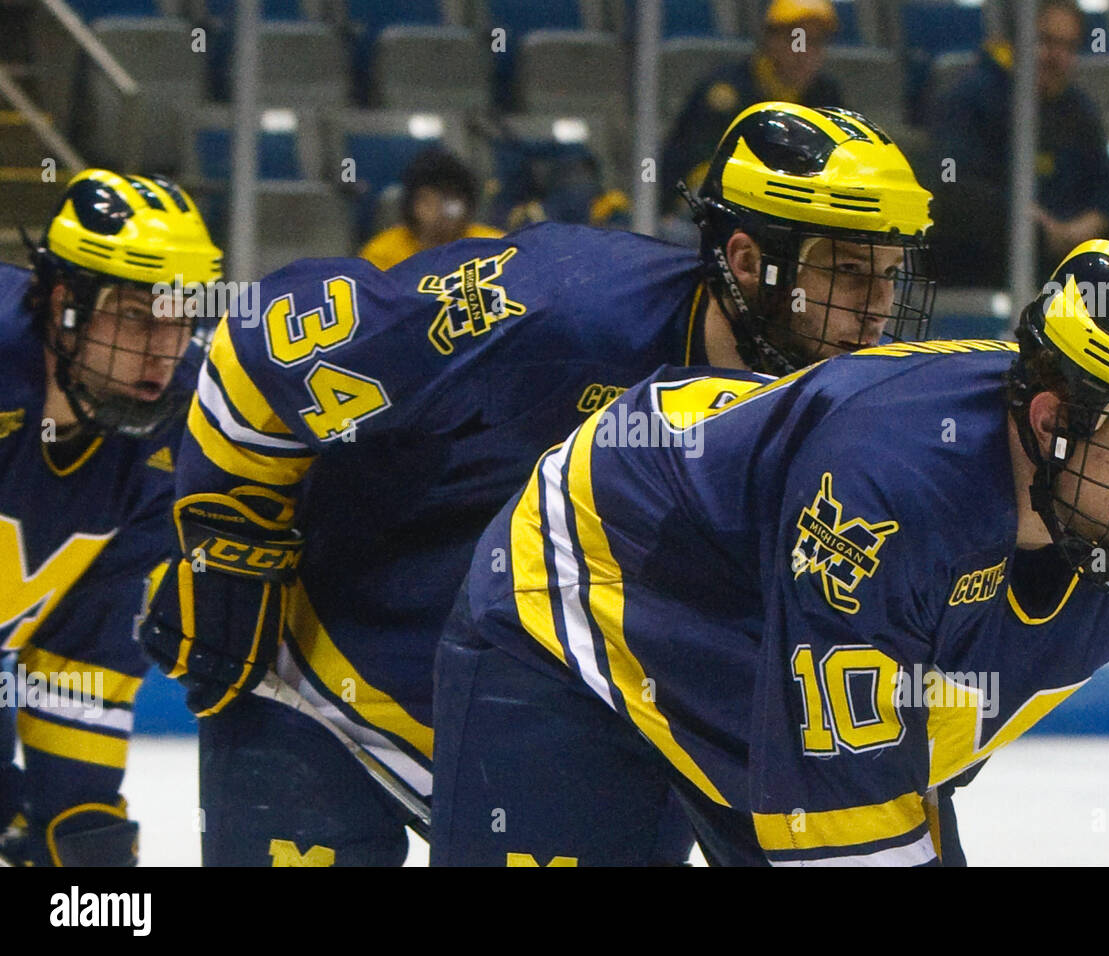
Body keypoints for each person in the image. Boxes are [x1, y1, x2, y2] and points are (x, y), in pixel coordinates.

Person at [138, 103, 936, 865]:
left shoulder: (847, 424)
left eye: (891, 276)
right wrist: (228, 542)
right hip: (329, 669)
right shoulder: (559, 306)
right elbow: (261, 349)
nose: (876, 310)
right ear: (746, 261)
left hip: (572, 726)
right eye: (846, 271)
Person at [429, 239, 1109, 866]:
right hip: (600, 577)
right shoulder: (883, 499)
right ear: (1051, 421)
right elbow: (847, 831)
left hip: (777, 616)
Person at [0, 169, 220, 866]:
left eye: (180, 314)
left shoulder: (178, 425)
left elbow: (81, 655)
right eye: (135, 314)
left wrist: (79, 821)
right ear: (64, 303)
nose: (164, 346)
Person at [926, 0, 1109, 286]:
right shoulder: (970, 98)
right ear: (1016, 40)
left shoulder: (1079, 110)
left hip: (1067, 263)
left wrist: (1074, 232)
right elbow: (954, 183)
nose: (1056, 57)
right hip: (985, 264)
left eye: (1068, 47)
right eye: (1046, 41)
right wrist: (1031, 224)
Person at [660, 0, 843, 215]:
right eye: (796, 39)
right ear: (770, 39)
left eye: (816, 42)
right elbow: (687, 169)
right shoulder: (725, 92)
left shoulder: (827, 95)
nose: (804, 52)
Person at [358, 148, 503, 271]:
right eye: (428, 200)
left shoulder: (494, 245)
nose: (440, 211)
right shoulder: (381, 252)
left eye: (450, 201)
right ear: (413, 203)